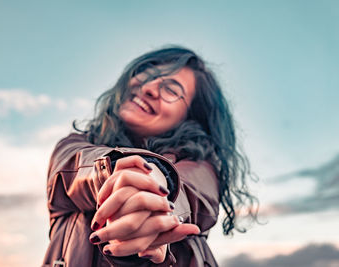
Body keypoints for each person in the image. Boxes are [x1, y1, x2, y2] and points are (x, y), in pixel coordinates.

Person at [42, 46, 258, 266]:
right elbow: (75, 168)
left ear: (190, 117)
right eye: (149, 74)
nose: (149, 88)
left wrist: (159, 184)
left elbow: (191, 192)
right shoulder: (74, 145)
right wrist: (118, 171)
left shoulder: (202, 167)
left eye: (171, 90)